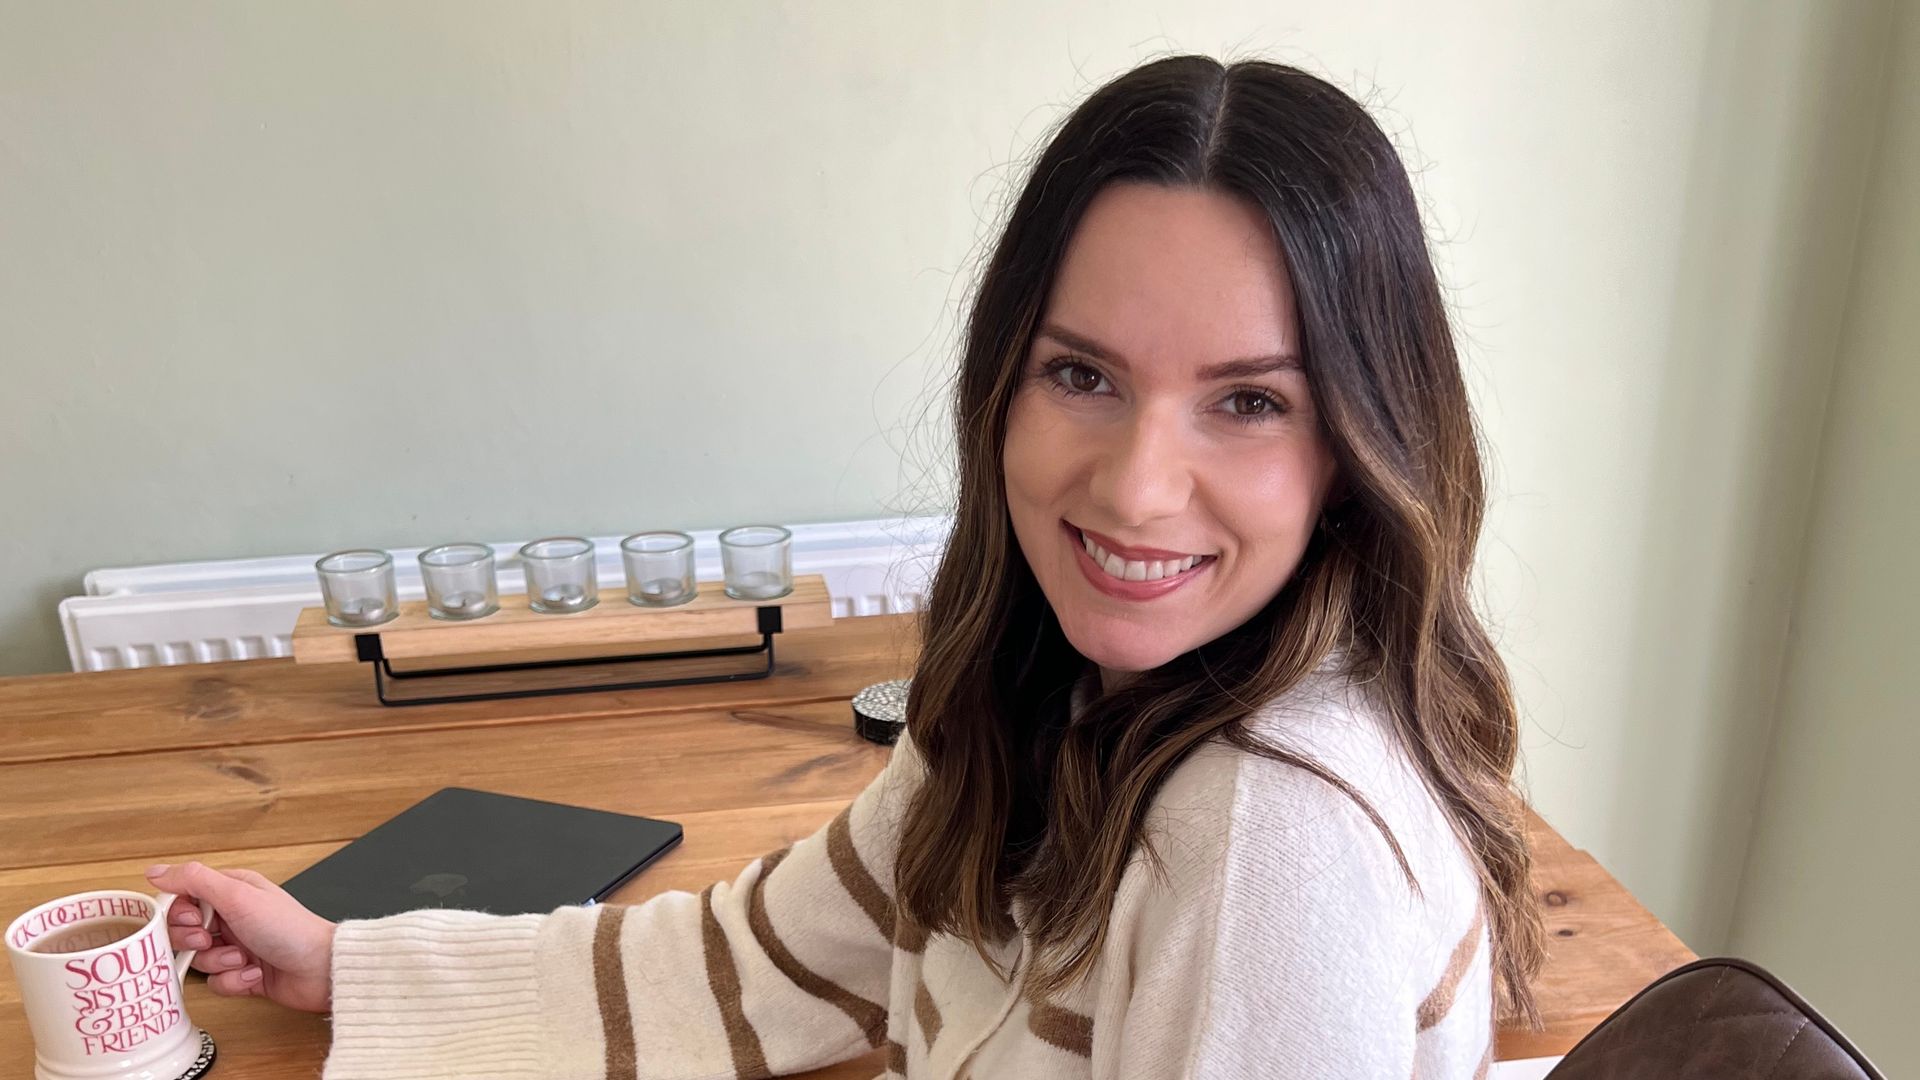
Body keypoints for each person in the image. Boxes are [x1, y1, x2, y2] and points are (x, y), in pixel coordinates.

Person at [147, 53, 1545, 1078]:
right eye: (1082, 375)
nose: (1134, 486)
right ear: (1003, 381)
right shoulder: (1038, 690)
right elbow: (766, 960)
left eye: (1248, 400)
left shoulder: (1268, 839)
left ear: (1361, 441)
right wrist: (350, 965)